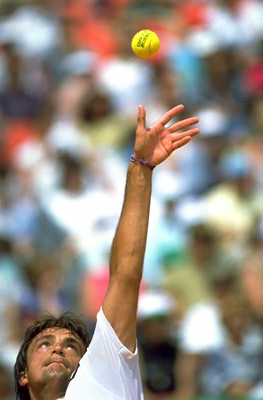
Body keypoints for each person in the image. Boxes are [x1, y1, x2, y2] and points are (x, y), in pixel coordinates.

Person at [13, 104, 199, 400]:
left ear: (85, 364)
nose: (59, 348)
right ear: (22, 375)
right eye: (44, 344)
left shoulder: (102, 378)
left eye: (72, 346)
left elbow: (125, 275)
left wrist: (141, 167)